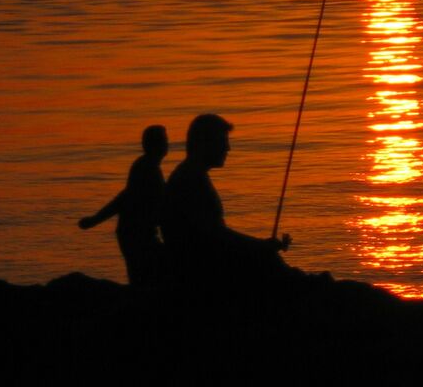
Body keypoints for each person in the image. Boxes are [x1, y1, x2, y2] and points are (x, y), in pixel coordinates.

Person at [161, 113, 292, 286]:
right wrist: (260, 246)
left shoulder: (191, 174)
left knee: (269, 259)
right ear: (205, 143)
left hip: (203, 262)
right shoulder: (190, 180)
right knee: (268, 260)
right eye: (222, 141)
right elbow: (216, 235)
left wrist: (260, 247)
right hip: (200, 270)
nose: (228, 148)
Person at [79, 124, 168, 287]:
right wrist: (95, 220)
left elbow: (126, 197)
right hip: (136, 234)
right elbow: (125, 198)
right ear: (153, 145)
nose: (166, 145)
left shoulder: (148, 166)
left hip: (138, 233)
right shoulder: (146, 168)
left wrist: (95, 219)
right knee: (147, 277)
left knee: (145, 276)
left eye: (165, 141)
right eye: (163, 141)